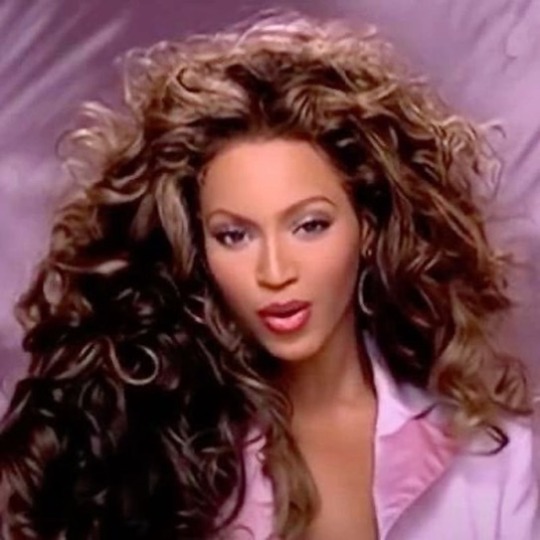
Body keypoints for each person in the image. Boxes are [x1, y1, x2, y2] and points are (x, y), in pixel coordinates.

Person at [0, 12, 538, 540]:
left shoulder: (490, 461)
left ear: (370, 227)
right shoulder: (145, 458)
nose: (274, 272)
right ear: (197, 249)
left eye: (309, 226)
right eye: (235, 235)